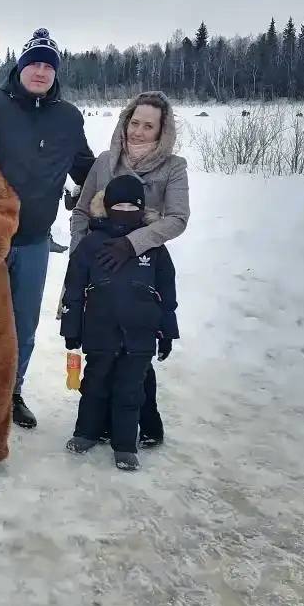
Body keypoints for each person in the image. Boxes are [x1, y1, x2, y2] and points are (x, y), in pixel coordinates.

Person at [0, 28, 95, 429]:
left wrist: (131, 184)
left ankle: (11, 392)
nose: (41, 71)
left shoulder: (68, 118)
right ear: (21, 66)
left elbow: (87, 170)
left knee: (23, 325)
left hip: (33, 243)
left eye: (49, 66)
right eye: (35, 64)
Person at [68, 91, 189, 447]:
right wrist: (81, 258)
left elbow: (177, 218)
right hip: (100, 269)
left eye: (148, 126)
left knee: (136, 355)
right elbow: (81, 211)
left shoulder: (173, 167)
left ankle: (147, 423)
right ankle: (104, 424)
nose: (138, 131)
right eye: (134, 123)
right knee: (103, 351)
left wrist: (133, 244)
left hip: (142, 268)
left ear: (161, 131)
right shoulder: (106, 162)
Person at [60, 175, 179, 471]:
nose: (126, 212)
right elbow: (74, 289)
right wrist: (71, 329)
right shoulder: (91, 245)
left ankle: (125, 445)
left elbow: (167, 294)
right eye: (119, 206)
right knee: (94, 385)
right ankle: (86, 432)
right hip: (100, 331)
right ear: (107, 207)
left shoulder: (152, 247)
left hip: (140, 336)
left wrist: (167, 332)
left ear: (142, 209)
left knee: (130, 391)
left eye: (133, 206)